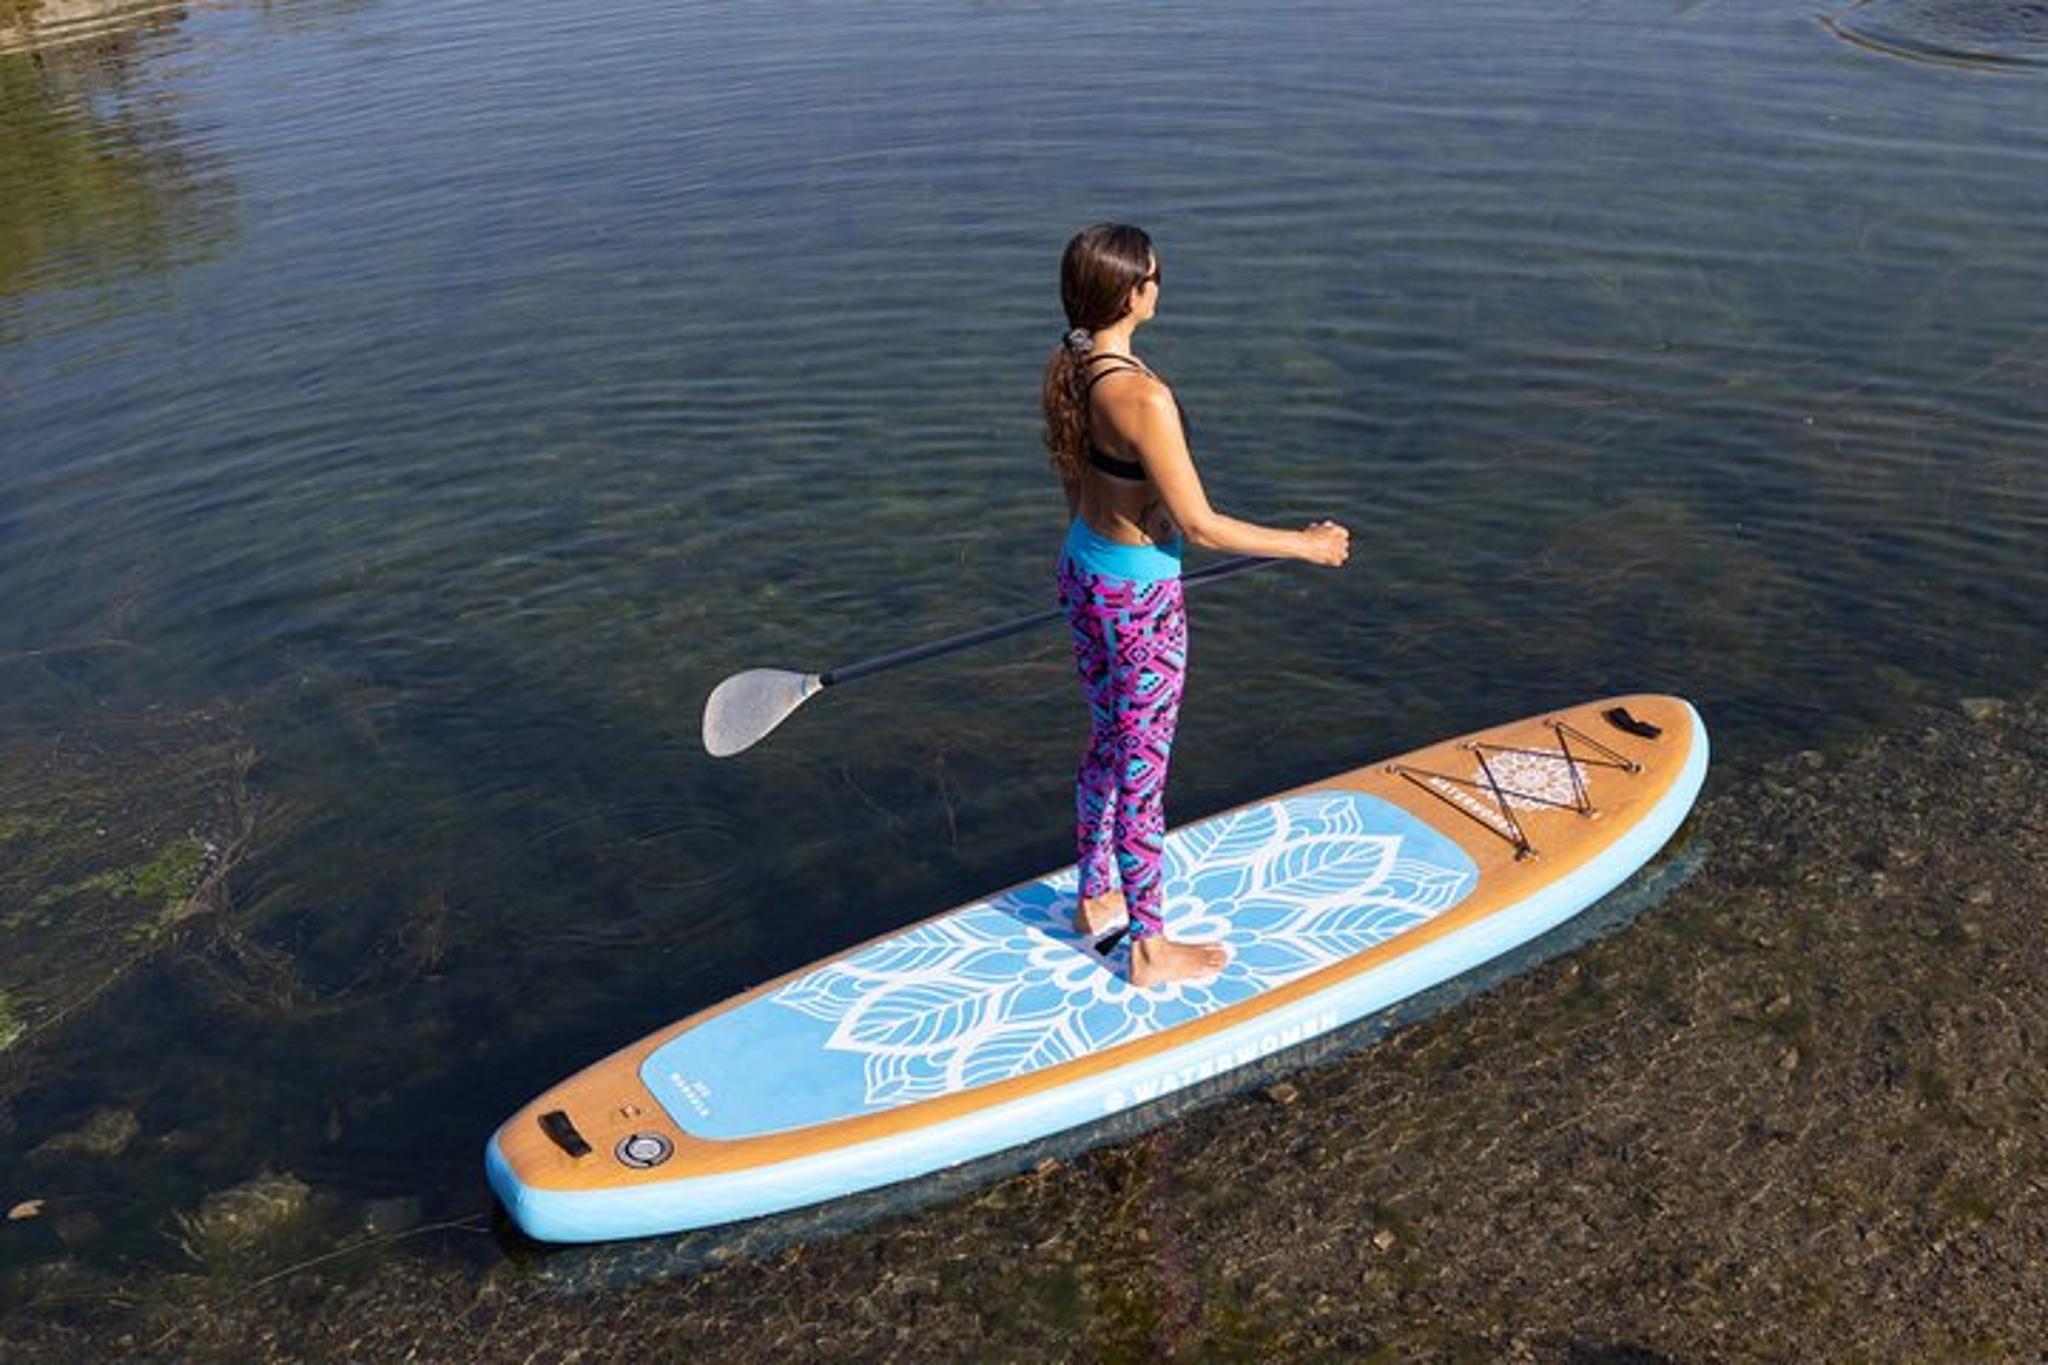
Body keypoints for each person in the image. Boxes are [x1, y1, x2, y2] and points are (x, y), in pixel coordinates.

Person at [1043, 222, 1350, 989]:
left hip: (1083, 572)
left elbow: (1076, 485)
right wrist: (1308, 545)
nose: (1160, 282)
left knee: (1107, 742)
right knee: (1144, 770)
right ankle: (1149, 945)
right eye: (1154, 274)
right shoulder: (1142, 395)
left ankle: (1094, 895)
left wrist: (1104, 564)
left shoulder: (1072, 365)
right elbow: (1202, 525)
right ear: (1133, 292)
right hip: (1140, 601)